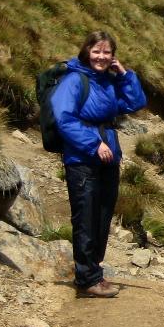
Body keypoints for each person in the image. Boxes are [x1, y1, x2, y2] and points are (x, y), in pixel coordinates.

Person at [51, 30, 147, 298]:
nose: (102, 57)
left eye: (107, 52)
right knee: (86, 216)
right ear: (86, 51)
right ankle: (87, 279)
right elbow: (64, 119)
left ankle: (94, 272)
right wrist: (93, 144)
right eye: (97, 51)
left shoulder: (107, 82)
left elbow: (135, 102)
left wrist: (125, 74)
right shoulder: (74, 81)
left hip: (108, 158)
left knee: (103, 215)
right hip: (82, 159)